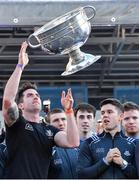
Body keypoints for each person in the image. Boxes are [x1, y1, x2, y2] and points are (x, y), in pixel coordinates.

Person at [2, 41, 79, 179]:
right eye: (30, 95)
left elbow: (73, 142)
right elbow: (8, 100)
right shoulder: (16, 124)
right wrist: (20, 65)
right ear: (21, 106)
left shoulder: (49, 130)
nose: (35, 97)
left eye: (37, 95)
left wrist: (68, 112)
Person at [77, 98, 137, 179]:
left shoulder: (134, 144)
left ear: (121, 116)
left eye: (109, 112)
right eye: (102, 113)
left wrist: (123, 163)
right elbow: (81, 175)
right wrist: (105, 161)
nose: (105, 115)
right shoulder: (89, 143)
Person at [47, 108, 78, 179]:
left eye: (63, 119)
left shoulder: (78, 145)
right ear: (49, 125)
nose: (61, 123)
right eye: (56, 120)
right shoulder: (45, 148)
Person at [122, 101, 139, 178]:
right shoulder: (114, 145)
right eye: (126, 118)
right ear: (121, 121)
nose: (131, 122)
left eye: (135, 118)